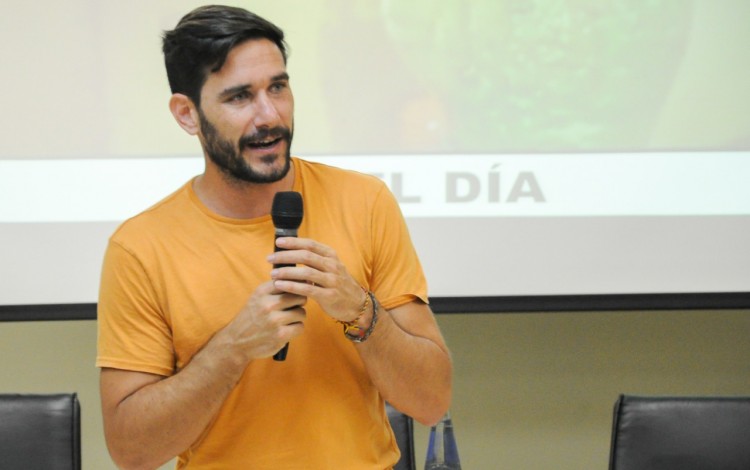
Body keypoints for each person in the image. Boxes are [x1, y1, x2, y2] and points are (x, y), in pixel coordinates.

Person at [96, 5, 452, 469]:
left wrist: (360, 310)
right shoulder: (141, 247)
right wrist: (233, 348)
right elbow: (131, 450)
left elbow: (431, 401)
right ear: (187, 114)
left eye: (278, 88)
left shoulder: (363, 201)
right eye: (240, 97)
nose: (270, 116)